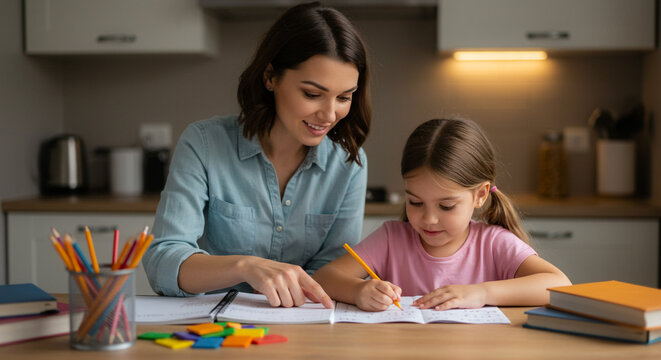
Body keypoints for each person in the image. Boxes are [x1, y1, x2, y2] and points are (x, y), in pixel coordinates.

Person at [143, 2, 371, 309]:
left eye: (344, 97)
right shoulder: (204, 143)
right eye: (312, 94)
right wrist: (245, 267)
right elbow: (163, 261)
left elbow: (333, 269)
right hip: (213, 331)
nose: (330, 114)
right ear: (270, 77)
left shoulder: (348, 165)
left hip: (304, 328)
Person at [314, 118, 571, 311]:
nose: (429, 219)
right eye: (415, 202)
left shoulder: (493, 243)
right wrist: (359, 290)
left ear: (480, 195)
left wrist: (481, 294)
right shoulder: (391, 238)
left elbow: (560, 284)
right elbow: (324, 278)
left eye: (446, 206)